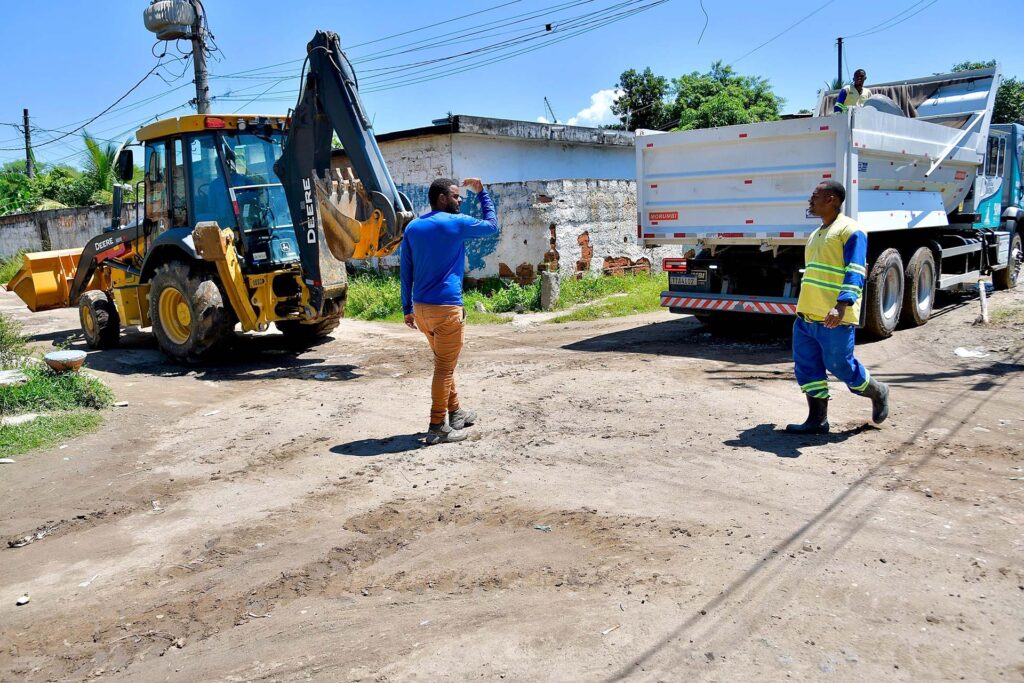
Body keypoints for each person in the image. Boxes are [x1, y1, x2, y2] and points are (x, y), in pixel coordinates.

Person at [786, 180, 890, 434]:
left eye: (815, 196)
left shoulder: (851, 230)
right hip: (807, 317)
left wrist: (842, 305)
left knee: (841, 366)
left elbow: (855, 271)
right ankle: (817, 420)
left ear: (831, 199)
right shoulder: (817, 233)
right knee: (807, 367)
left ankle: (878, 391)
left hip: (834, 317)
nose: (810, 201)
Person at [401, 177, 499, 444]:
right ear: (442, 198)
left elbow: (405, 270)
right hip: (446, 309)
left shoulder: (412, 228)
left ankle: (456, 413)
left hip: (421, 311)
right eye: (456, 196)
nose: (459, 201)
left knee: (445, 362)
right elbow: (492, 227)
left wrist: (406, 308)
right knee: (444, 368)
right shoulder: (457, 223)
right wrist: (481, 193)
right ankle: (436, 427)